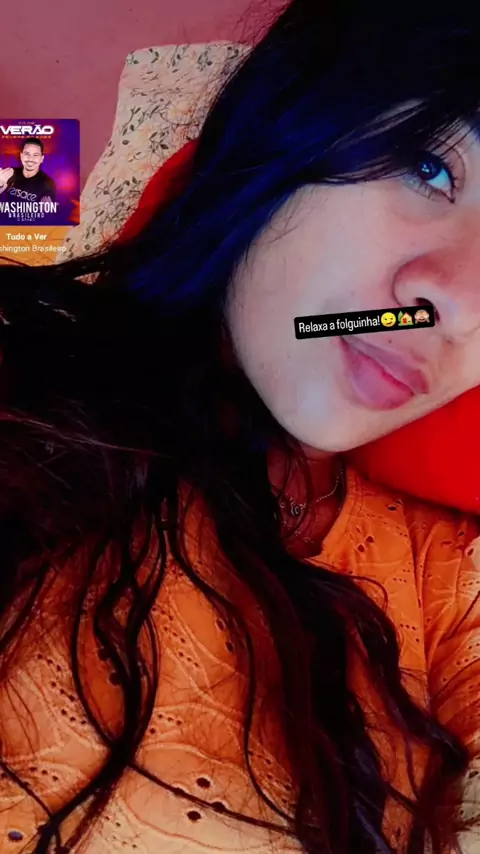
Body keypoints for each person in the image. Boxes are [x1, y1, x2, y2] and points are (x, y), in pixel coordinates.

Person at [0, 1, 478, 853]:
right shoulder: (24, 388)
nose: (459, 307)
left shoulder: (445, 575)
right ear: (287, 125)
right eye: (430, 167)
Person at [0, 137, 56, 204]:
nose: (30, 159)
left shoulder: (47, 184)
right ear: (21, 156)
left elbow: (49, 208)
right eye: (27, 154)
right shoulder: (10, 173)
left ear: (41, 158)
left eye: (36, 155)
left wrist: (47, 208)